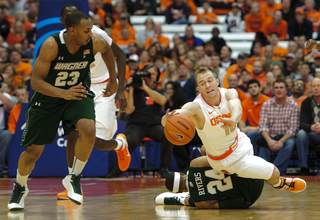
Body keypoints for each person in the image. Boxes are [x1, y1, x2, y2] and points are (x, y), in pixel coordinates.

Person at [7, 11, 118, 211]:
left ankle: (74, 178)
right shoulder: (51, 45)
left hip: (76, 94)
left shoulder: (94, 41)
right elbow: (36, 82)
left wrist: (113, 79)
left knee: (88, 129)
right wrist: (62, 93)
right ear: (72, 31)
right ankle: (20, 187)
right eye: (86, 30)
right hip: (48, 98)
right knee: (33, 153)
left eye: (91, 29)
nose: (90, 33)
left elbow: (109, 52)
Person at [161, 67, 306, 196]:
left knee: (206, 149)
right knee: (274, 172)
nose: (207, 85)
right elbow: (180, 112)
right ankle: (279, 184)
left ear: (217, 81)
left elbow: (236, 106)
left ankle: (211, 157)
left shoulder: (229, 92)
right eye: (202, 83)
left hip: (240, 140)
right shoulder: (196, 107)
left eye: (210, 81)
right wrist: (166, 120)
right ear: (198, 88)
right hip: (230, 160)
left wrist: (234, 119)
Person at [55, 4, 131, 200]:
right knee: (72, 134)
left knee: (98, 143)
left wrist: (120, 88)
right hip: (80, 89)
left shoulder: (96, 34)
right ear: (64, 22)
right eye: (69, 17)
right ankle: (72, 182)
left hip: (104, 88)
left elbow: (120, 55)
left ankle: (120, 145)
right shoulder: (59, 40)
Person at [106, 64, 173, 178]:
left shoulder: (159, 91)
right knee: (129, 140)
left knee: (168, 135)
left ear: (157, 77)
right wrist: (131, 88)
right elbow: (128, 111)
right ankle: (118, 168)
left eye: (153, 74)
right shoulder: (135, 91)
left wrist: (145, 88)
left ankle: (164, 168)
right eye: (148, 73)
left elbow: (162, 101)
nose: (150, 76)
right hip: (136, 125)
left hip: (154, 126)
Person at [155, 156, 264, 209]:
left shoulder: (200, 203)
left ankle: (184, 200)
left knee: (209, 202)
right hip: (253, 169)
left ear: (178, 191)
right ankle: (184, 199)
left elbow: (228, 203)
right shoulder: (195, 164)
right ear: (182, 174)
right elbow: (221, 159)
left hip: (253, 194)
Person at [256, 79, 299, 175]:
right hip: (270, 136)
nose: (279, 90)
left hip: (286, 137)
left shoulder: (293, 105)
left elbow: (293, 128)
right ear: (273, 90)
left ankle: (276, 172)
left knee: (291, 143)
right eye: (276, 88)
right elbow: (263, 125)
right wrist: (269, 140)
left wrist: (281, 141)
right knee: (258, 138)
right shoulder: (266, 104)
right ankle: (261, 171)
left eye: (281, 87)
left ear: (286, 90)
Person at [296, 77, 320, 175]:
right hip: (311, 134)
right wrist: (312, 127)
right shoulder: (306, 102)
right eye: (314, 86)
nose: (316, 88)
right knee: (301, 133)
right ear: (310, 88)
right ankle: (303, 167)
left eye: (318, 86)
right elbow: (302, 124)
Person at [239, 79, 270, 155]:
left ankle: (263, 161)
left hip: (267, 130)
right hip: (252, 131)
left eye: (255, 86)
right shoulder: (245, 103)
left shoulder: (268, 101)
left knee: (253, 134)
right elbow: (241, 121)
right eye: (251, 87)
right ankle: (251, 159)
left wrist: (251, 129)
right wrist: (243, 129)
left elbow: (270, 124)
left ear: (260, 88)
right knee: (244, 135)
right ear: (248, 90)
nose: (253, 88)